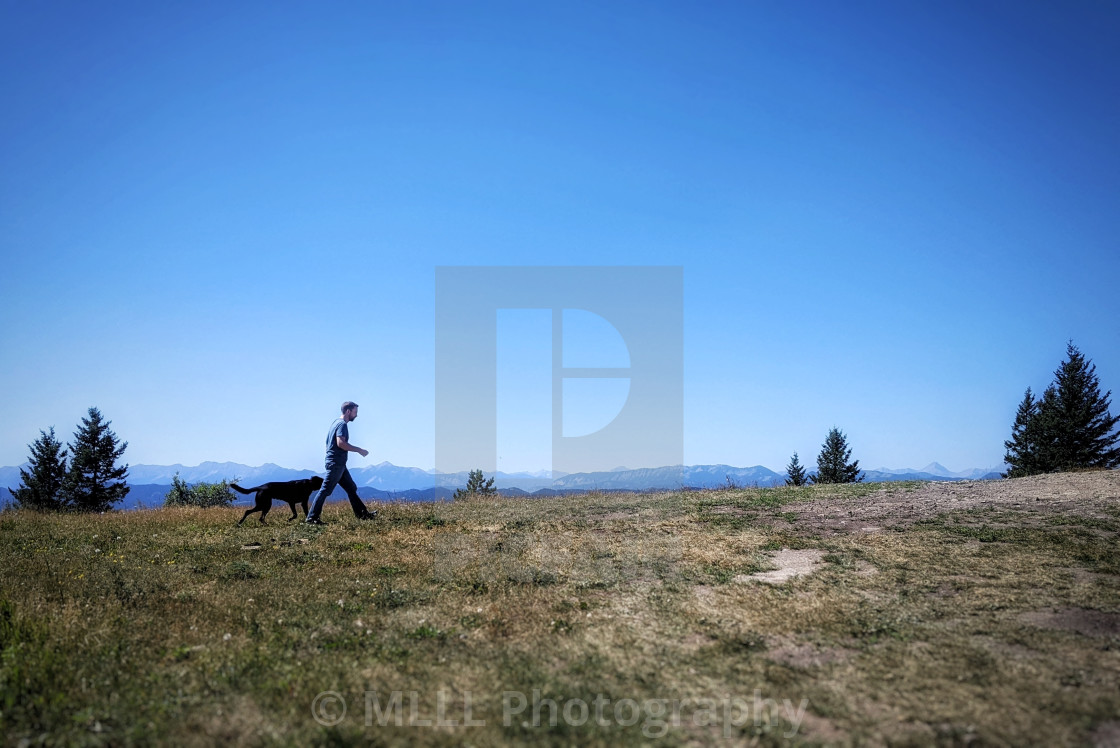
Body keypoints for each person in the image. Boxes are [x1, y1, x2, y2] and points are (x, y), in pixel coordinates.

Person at [306, 401, 378, 525]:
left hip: (338, 463)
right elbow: (341, 443)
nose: (356, 415)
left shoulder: (335, 423)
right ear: (348, 411)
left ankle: (362, 514)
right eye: (355, 412)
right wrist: (359, 450)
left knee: (351, 488)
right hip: (336, 464)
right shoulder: (342, 425)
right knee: (325, 490)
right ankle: (311, 518)